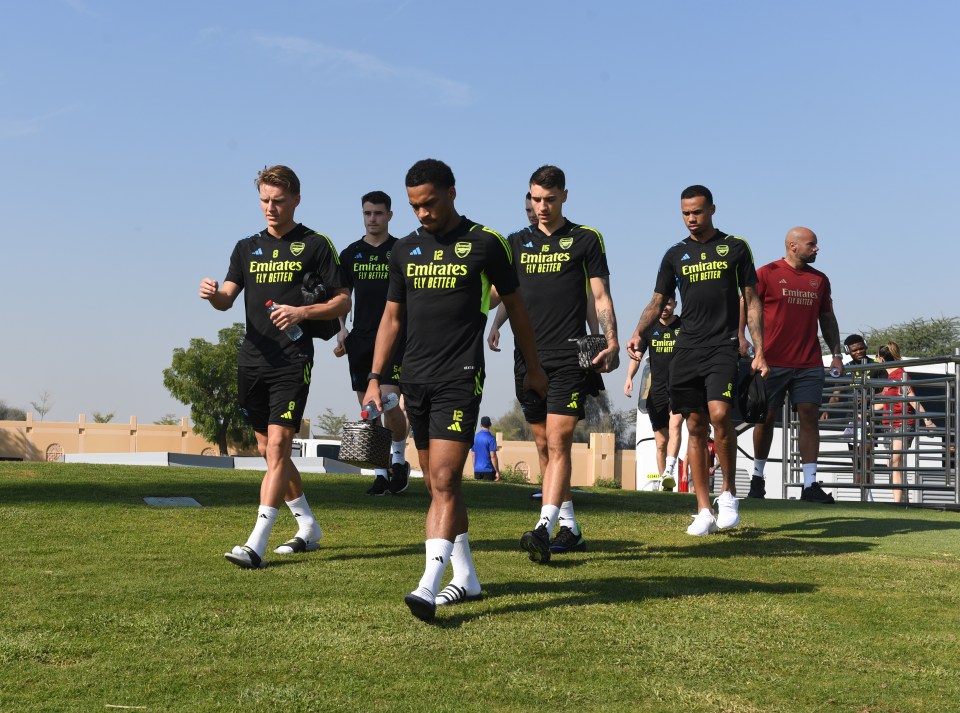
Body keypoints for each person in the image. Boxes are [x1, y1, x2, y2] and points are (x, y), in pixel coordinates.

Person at [362, 159, 547, 621]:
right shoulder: (404, 250)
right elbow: (392, 318)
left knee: (445, 480)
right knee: (437, 486)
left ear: (451, 192)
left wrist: (534, 368)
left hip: (460, 376)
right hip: (414, 379)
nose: (421, 213)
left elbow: (518, 310)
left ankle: (428, 585)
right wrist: (374, 377)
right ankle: (467, 578)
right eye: (413, 207)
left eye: (428, 203)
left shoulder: (486, 244)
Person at [199, 165, 350, 569]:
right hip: (252, 358)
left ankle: (256, 543)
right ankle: (308, 525)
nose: (270, 207)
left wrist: (302, 312)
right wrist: (213, 295)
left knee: (281, 446)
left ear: (296, 200)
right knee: (269, 451)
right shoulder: (246, 247)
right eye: (265, 200)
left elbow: (342, 301)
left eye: (278, 201)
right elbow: (228, 298)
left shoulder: (316, 245)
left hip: (292, 359)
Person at [627, 185, 768, 536]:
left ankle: (729, 494)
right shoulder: (675, 254)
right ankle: (703, 509)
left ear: (712, 210)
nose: (692, 219)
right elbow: (657, 300)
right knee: (694, 425)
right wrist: (637, 332)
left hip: (722, 347)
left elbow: (751, 300)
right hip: (686, 350)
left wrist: (760, 349)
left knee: (720, 415)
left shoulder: (735, 247)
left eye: (698, 212)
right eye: (686, 213)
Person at [503, 165, 620, 564]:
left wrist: (612, 339)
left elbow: (600, 296)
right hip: (528, 358)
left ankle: (543, 525)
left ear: (564, 197)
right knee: (542, 445)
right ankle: (570, 527)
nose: (542, 208)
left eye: (550, 200)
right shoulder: (515, 242)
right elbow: (505, 297)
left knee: (559, 440)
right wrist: (493, 325)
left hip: (571, 355)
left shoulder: (586, 239)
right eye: (536, 200)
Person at [748, 227, 844, 504]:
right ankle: (757, 477)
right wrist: (745, 342)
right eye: (812, 245)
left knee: (810, 415)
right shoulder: (766, 273)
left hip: (809, 362)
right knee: (765, 418)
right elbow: (748, 308)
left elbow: (827, 318)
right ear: (793, 246)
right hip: (771, 360)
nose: (816, 249)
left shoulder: (820, 280)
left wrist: (836, 353)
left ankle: (810, 484)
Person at [336, 191, 410, 496]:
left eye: (378, 213)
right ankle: (380, 473)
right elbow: (342, 298)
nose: (372, 219)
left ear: (389, 215)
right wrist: (341, 329)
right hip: (361, 338)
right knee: (369, 409)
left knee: (389, 400)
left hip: (395, 337)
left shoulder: (403, 250)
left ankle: (398, 459)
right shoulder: (351, 253)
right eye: (367, 213)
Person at [624, 296, 684, 490]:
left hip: (678, 388)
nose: (665, 308)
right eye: (661, 304)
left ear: (675, 304)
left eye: (668, 303)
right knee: (660, 443)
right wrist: (629, 378)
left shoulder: (684, 326)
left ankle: (670, 470)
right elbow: (637, 356)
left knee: (675, 424)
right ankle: (665, 481)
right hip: (656, 391)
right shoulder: (650, 328)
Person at [875, 341, 936, 503]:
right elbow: (881, 404)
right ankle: (904, 502)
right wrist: (864, 409)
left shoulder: (901, 375)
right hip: (888, 425)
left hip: (902, 423)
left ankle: (897, 504)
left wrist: (927, 420)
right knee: (893, 464)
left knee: (895, 462)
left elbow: (912, 398)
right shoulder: (890, 378)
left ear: (881, 359)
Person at [471, 416, 499, 481]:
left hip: (477, 470)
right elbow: (493, 456)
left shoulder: (475, 437)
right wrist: (497, 471)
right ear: (490, 425)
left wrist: (475, 468)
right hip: (488, 471)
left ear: (480, 425)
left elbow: (473, 455)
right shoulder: (491, 438)